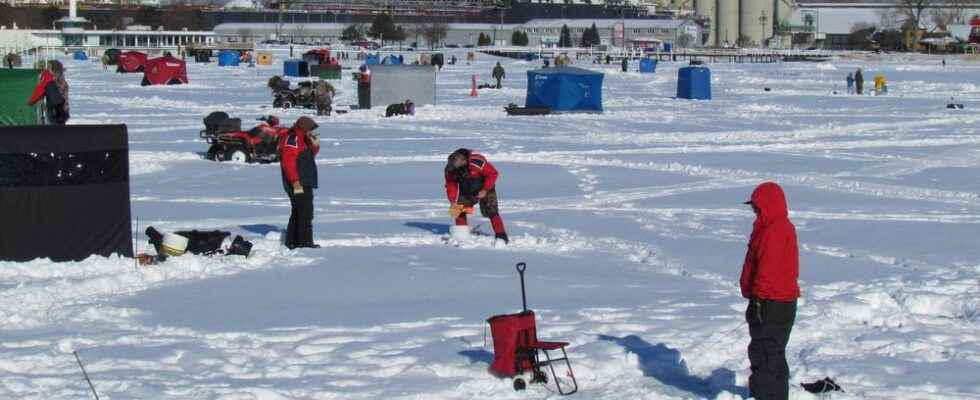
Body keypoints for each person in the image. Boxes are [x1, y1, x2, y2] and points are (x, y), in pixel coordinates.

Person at [740, 182, 800, 400]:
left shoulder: (773, 230)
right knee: (771, 353)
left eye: (756, 206)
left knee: (765, 355)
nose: (754, 211)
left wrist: (758, 301)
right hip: (778, 301)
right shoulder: (774, 226)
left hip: (771, 302)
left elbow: (768, 269)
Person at [445, 148, 509, 244]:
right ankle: (461, 236)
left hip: (485, 188)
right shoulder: (450, 169)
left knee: (491, 211)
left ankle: (501, 236)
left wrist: (485, 190)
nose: (453, 168)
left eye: (455, 165)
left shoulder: (476, 162)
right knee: (457, 210)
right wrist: (452, 200)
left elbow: (493, 173)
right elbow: (451, 185)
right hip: (466, 190)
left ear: (464, 161)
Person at [279, 116, 321, 249]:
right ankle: (305, 243)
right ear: (303, 128)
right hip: (298, 182)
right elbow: (288, 162)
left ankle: (292, 242)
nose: (311, 132)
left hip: (304, 180)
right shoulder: (293, 139)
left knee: (299, 211)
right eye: (310, 129)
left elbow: (307, 157)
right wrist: (295, 182)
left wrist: (315, 146)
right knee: (306, 212)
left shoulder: (302, 139)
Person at [27, 60, 69, 125]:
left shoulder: (50, 78)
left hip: (56, 110)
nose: (47, 68)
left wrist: (32, 101)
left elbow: (40, 90)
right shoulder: (56, 77)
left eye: (49, 67)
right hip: (59, 110)